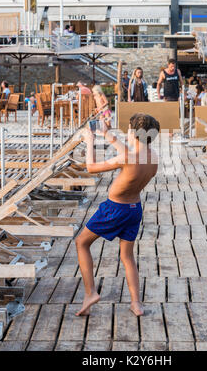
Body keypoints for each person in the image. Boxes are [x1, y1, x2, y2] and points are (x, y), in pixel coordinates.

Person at [75, 113, 160, 317]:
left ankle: (90, 293)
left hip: (115, 209)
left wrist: (90, 142)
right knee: (127, 256)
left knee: (81, 243)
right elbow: (130, 154)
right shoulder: (152, 156)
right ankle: (136, 303)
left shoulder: (129, 157)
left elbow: (91, 167)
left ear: (133, 133)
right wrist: (107, 134)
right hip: (134, 210)